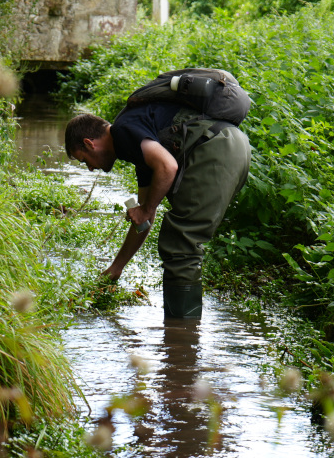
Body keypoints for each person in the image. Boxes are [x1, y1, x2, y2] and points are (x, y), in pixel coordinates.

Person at [64, 100, 251, 319]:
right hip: (233, 145)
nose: (90, 167)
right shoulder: (138, 147)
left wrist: (146, 208)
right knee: (182, 241)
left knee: (180, 244)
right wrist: (116, 267)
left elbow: (168, 167)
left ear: (89, 143)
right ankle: (182, 331)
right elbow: (145, 220)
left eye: (84, 160)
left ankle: (181, 338)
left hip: (217, 148)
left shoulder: (123, 130)